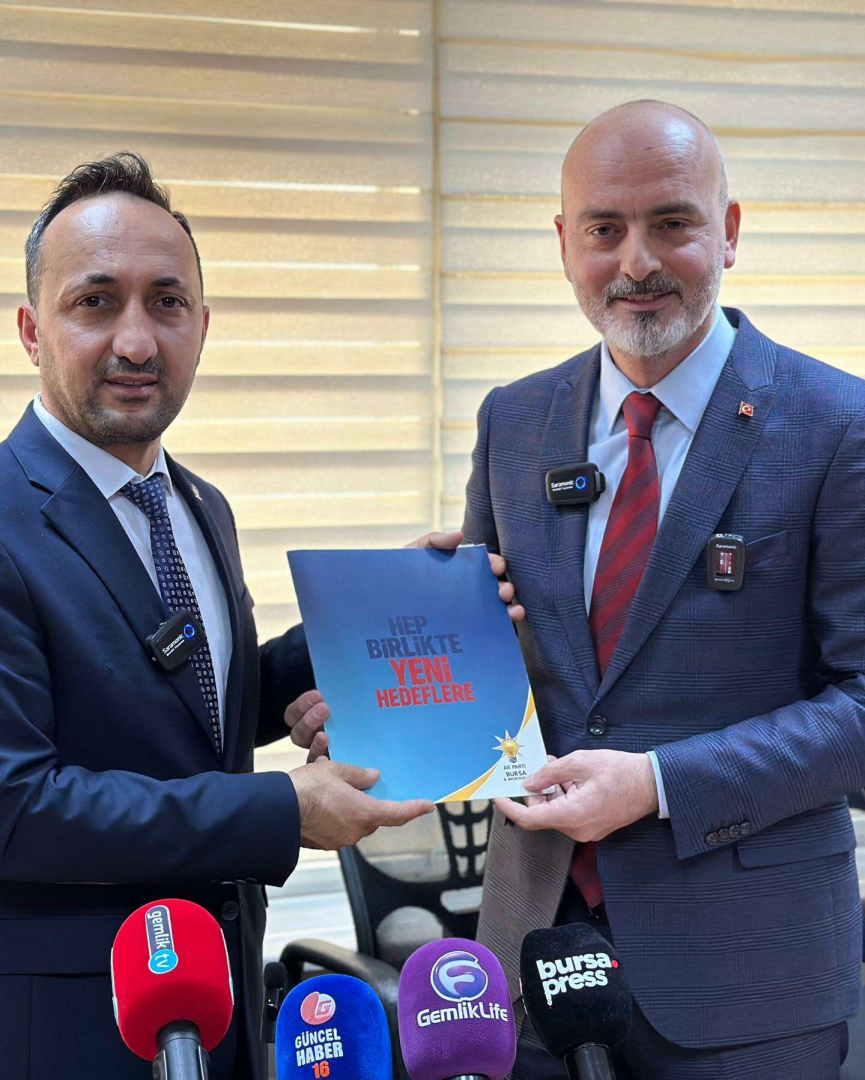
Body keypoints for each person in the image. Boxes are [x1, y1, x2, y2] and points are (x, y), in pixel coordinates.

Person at [0, 152, 508, 1079]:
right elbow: (20, 806)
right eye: (95, 302)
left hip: (224, 1001)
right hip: (75, 1025)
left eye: (166, 302)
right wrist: (282, 809)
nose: (137, 341)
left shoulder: (198, 504)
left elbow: (199, 706)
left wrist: (383, 617)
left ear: (202, 324)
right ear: (33, 329)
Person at [458, 101, 865, 1078]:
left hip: (752, 983)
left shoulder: (837, 426)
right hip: (529, 960)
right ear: (564, 244)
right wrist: (390, 667)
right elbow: (488, 669)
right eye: (603, 229)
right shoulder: (513, 422)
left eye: (670, 223)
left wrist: (655, 784)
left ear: (727, 230)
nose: (634, 262)